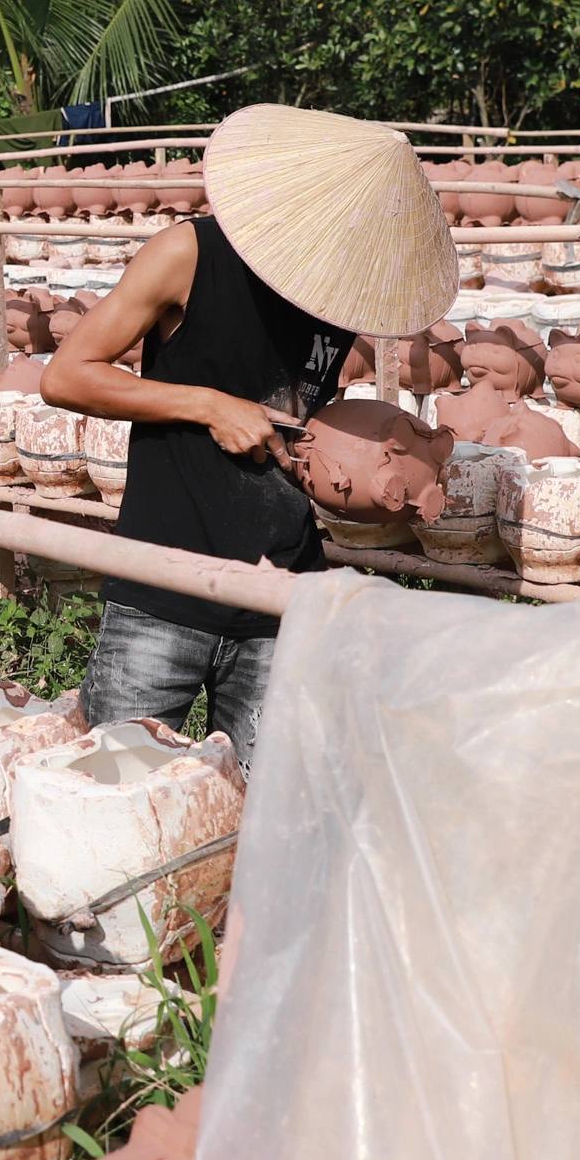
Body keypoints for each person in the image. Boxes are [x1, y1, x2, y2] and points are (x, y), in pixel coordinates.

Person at [40, 104, 455, 769]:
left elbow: (301, 402)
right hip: (166, 584)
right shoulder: (189, 255)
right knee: (119, 788)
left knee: (268, 805)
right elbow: (66, 376)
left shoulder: (342, 298)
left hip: (281, 595)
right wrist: (208, 405)